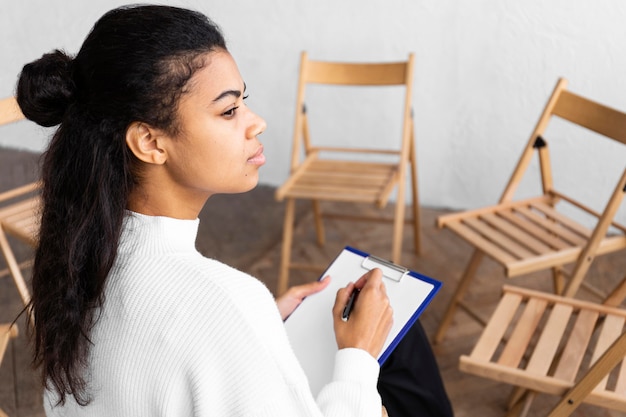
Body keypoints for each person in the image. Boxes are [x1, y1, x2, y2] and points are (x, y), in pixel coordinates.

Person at [16, 4, 452, 416]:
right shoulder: (223, 301)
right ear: (150, 142)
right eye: (228, 110)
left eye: (243, 101)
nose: (255, 121)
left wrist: (259, 326)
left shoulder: (77, 261)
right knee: (399, 343)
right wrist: (357, 358)